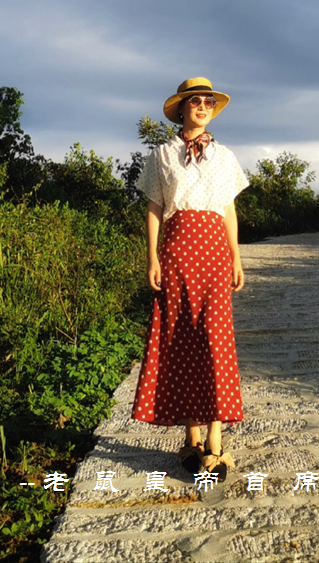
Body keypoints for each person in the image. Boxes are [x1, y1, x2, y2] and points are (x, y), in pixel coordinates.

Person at [131, 77, 249, 480]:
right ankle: (192, 439)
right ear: (181, 108)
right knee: (180, 338)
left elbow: (228, 210)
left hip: (215, 254)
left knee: (215, 338)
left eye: (208, 101)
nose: (202, 105)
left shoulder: (226, 157)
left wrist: (236, 257)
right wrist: (152, 257)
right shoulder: (162, 155)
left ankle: (216, 439)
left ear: (213, 109)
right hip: (177, 251)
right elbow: (153, 207)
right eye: (194, 100)